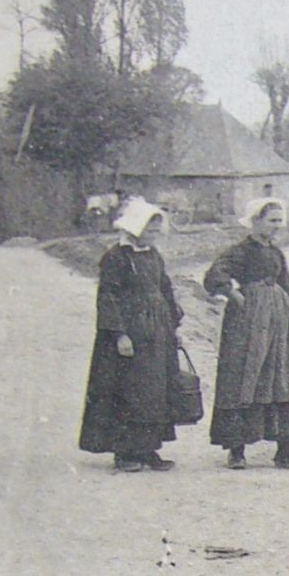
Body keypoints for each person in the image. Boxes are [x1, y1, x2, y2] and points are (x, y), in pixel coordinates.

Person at [77, 198, 185, 473]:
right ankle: (125, 452)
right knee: (129, 391)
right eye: (150, 228)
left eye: (157, 229)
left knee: (155, 391)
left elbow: (166, 290)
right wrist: (119, 335)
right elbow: (108, 297)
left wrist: (173, 328)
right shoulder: (116, 257)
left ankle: (149, 449)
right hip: (131, 334)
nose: (154, 233)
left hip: (156, 332)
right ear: (136, 227)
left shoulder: (153, 255)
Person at [204, 197, 289, 469]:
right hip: (249, 324)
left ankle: (284, 452)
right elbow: (215, 274)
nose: (277, 226)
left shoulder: (275, 252)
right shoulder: (241, 251)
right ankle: (236, 451)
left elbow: (287, 284)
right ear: (255, 221)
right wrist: (234, 294)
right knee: (244, 377)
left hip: (277, 324)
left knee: (280, 378)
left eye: (279, 221)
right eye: (272, 220)